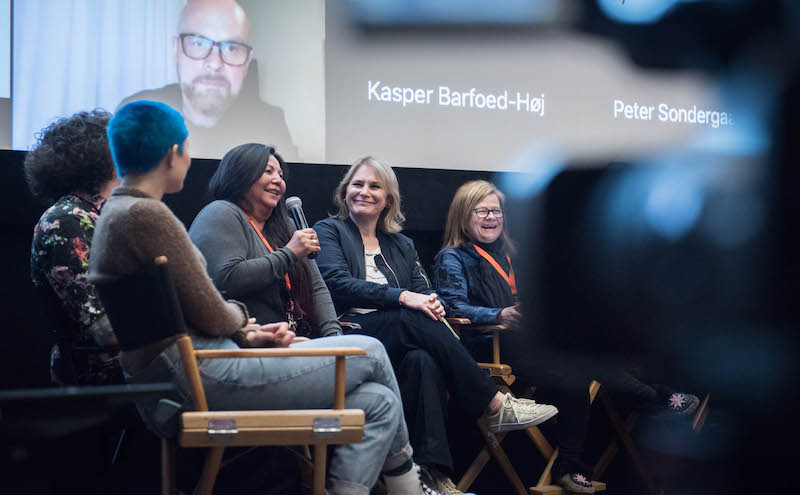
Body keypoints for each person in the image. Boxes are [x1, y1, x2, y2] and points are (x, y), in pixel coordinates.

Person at [89, 100, 442, 495]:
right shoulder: (149, 215)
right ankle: (411, 487)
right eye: (187, 148)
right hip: (201, 375)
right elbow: (209, 300)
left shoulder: (121, 212)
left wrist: (247, 333)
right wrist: (244, 328)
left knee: (378, 401)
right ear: (174, 153)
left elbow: (186, 308)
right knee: (372, 351)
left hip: (190, 368)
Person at [434, 180, 701, 494]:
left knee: (576, 364)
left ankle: (569, 467)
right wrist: (499, 314)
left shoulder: (513, 253)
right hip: (488, 346)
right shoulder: (452, 257)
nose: (491, 217)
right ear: (463, 216)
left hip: (529, 342)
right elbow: (453, 307)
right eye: (482, 211)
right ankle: (652, 399)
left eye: (496, 211)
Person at [314, 157, 559, 495]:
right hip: (352, 333)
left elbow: (424, 288)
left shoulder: (401, 243)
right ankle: (493, 402)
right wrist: (404, 298)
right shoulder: (329, 231)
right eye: (357, 184)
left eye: (375, 186)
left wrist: (431, 301)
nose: (364, 192)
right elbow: (336, 283)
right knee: (412, 314)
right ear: (344, 192)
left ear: (388, 198)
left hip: (401, 340)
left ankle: (429, 478)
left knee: (423, 361)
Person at [189, 142, 339, 339]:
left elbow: (317, 288)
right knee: (373, 353)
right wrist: (290, 253)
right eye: (268, 171)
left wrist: (334, 335)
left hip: (290, 340)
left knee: (360, 350)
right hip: (242, 344)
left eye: (281, 175)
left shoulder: (287, 226)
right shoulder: (220, 213)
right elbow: (227, 279)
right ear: (240, 175)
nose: (278, 180)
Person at [117, 0, 297, 160]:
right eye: (198, 43)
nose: (215, 63)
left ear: (247, 63)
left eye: (232, 48)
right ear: (176, 50)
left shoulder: (270, 123)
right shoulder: (136, 113)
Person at [26, 109, 121, 385]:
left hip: (136, 362)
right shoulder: (66, 219)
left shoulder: (104, 214)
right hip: (101, 372)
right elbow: (103, 330)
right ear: (101, 156)